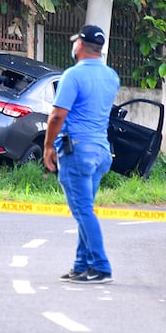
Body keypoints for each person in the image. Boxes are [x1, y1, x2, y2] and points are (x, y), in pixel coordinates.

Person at [43, 25, 120, 284]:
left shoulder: (73, 76)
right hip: (101, 152)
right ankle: (81, 265)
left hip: (77, 151)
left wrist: (48, 146)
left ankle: (101, 266)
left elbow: (57, 114)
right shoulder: (111, 77)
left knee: (83, 211)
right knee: (85, 208)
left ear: (79, 46)